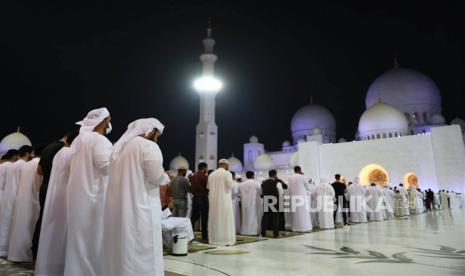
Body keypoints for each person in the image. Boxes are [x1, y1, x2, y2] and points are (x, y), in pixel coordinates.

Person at [102, 118, 166, 275]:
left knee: (123, 247)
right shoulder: (149, 146)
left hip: (120, 207)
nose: (157, 137)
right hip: (141, 206)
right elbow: (156, 176)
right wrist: (165, 177)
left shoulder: (120, 147)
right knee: (144, 248)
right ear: (150, 131)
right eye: (157, 134)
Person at [64, 107, 113, 275]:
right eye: (109, 120)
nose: (110, 124)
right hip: (94, 198)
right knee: (94, 240)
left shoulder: (79, 140)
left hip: (77, 195)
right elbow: (106, 167)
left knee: (78, 240)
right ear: (103, 121)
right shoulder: (99, 140)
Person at [34, 130, 79, 275]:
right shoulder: (65, 151)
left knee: (44, 220)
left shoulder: (49, 147)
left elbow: (39, 170)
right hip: (59, 190)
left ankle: (37, 254)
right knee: (57, 224)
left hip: (46, 187)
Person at [8, 145, 43, 262]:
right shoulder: (39, 165)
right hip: (33, 199)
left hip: (21, 198)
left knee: (19, 226)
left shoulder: (26, 164)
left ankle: (16, 254)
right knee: (29, 227)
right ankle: (25, 255)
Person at [0, 145, 33, 257]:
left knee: (4, 221)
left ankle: (2, 248)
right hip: (17, 196)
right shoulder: (25, 166)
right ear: (27, 153)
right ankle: (8, 249)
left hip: (6, 195)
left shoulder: (12, 165)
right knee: (12, 223)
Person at [207, 159, 237, 246]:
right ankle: (225, 240)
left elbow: (208, 187)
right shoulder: (227, 173)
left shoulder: (211, 174)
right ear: (226, 165)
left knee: (215, 218)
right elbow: (230, 186)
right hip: (224, 200)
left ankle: (214, 239)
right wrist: (234, 181)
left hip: (213, 201)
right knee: (225, 219)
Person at [288, 166, 312, 232]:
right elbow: (308, 186)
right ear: (300, 170)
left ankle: (296, 227)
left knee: (295, 213)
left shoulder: (290, 177)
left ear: (294, 170)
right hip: (302, 196)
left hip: (293, 196)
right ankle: (304, 227)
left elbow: (289, 188)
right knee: (303, 212)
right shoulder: (302, 176)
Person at [260, 170, 284, 238]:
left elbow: (261, 193)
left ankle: (263, 232)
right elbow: (281, 192)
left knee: (265, 217)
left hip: (266, 201)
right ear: (275, 175)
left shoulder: (264, 183)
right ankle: (275, 234)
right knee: (275, 218)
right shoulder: (277, 182)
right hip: (275, 201)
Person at [190, 162, 209, 241]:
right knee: (204, 218)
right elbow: (207, 187)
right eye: (206, 168)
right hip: (203, 198)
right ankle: (204, 236)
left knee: (194, 217)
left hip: (195, 198)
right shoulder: (205, 176)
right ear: (204, 168)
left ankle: (190, 234)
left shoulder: (193, 176)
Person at [239, 171, 261, 236]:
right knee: (253, 216)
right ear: (252, 176)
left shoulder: (241, 184)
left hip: (244, 203)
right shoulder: (256, 183)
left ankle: (244, 231)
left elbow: (239, 193)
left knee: (245, 217)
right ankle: (252, 231)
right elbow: (260, 192)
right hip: (253, 203)